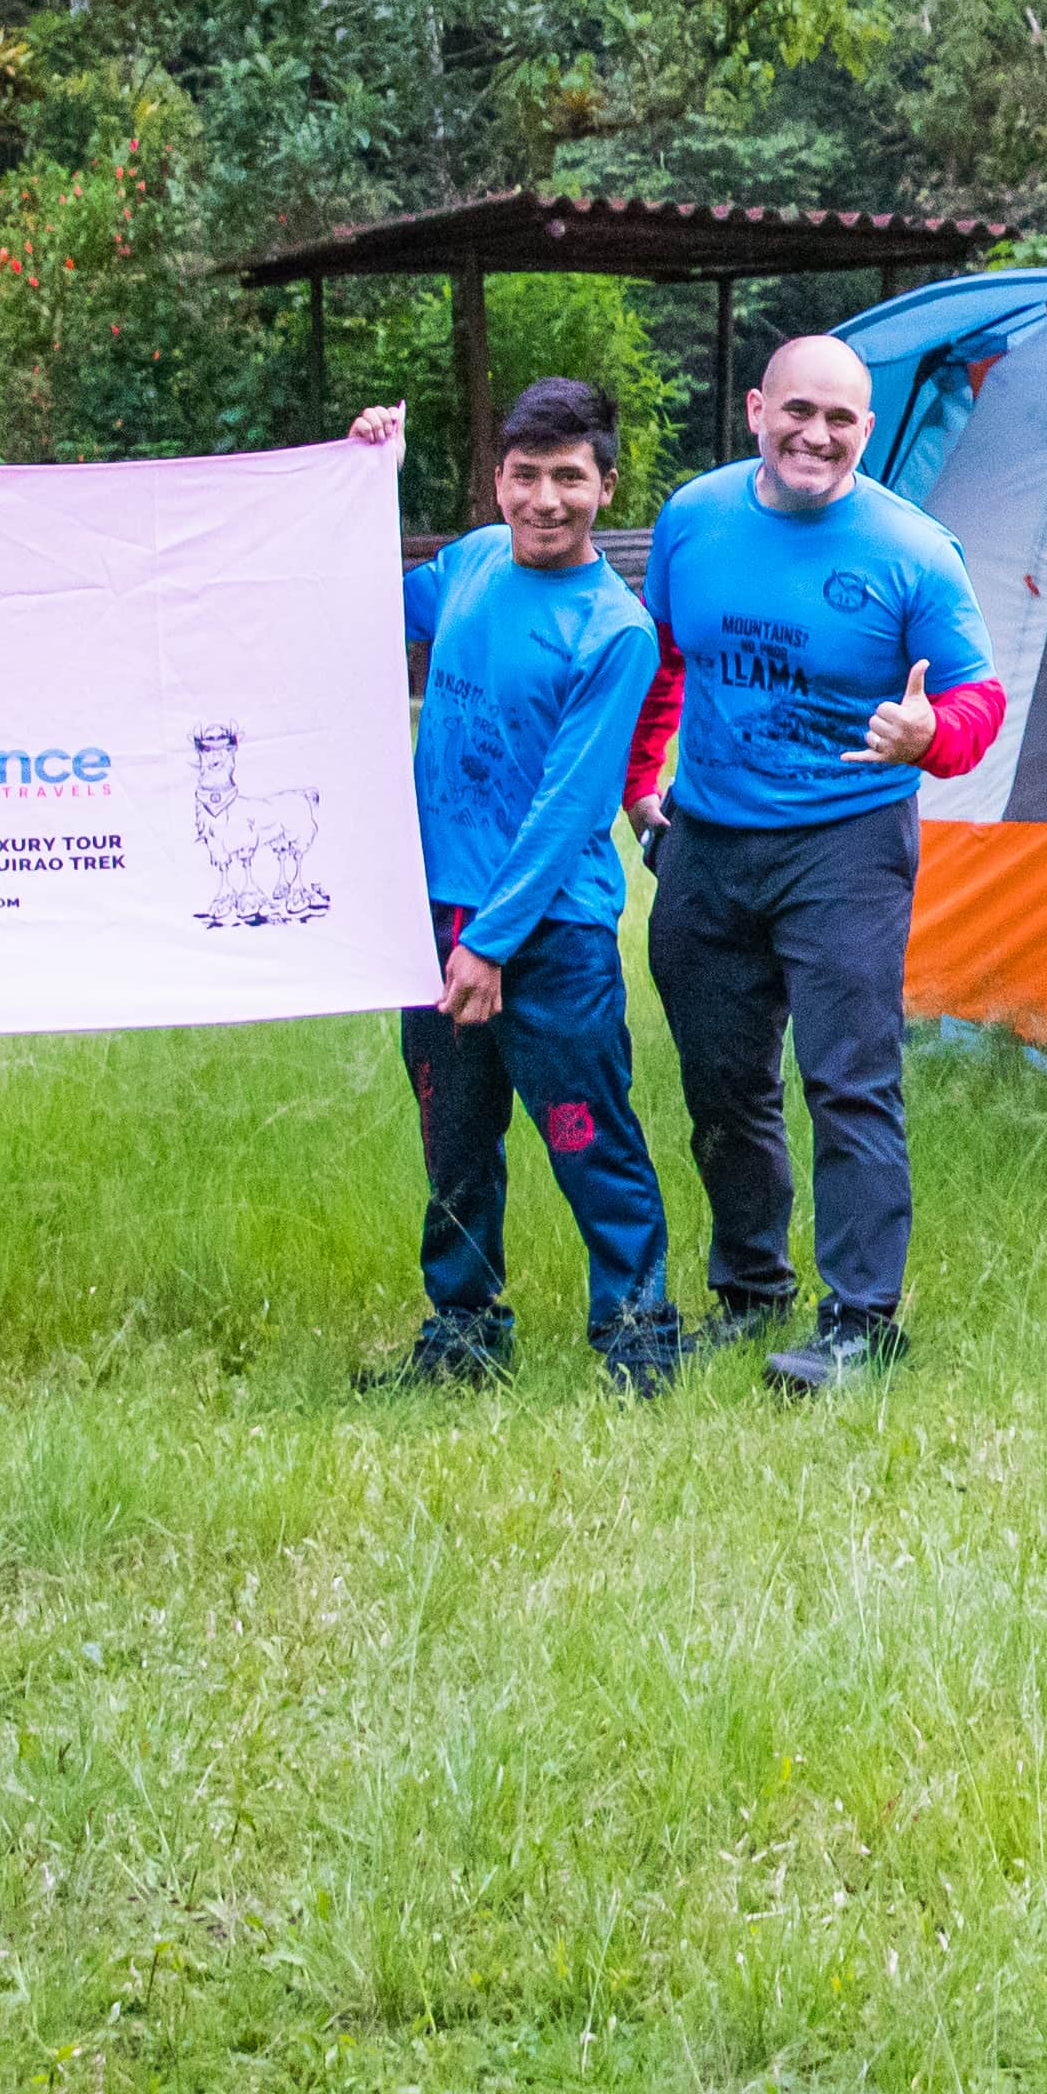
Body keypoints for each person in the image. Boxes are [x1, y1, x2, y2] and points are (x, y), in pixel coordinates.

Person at [643, 330, 1000, 1396]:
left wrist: (927, 736)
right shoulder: (692, 519)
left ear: (867, 429)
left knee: (850, 1081)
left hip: (846, 843)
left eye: (842, 418)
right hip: (706, 839)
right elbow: (664, 659)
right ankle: (752, 1288)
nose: (818, 433)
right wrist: (635, 783)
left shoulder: (915, 550)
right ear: (757, 409)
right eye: (799, 410)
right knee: (723, 1084)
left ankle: (862, 1320)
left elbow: (978, 701)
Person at [360, 379, 689, 1395]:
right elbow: (352, 596)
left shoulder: (614, 629)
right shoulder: (464, 564)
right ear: (497, 477)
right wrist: (371, 477)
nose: (545, 499)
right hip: (434, 914)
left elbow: (567, 805)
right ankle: (463, 1332)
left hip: (550, 933)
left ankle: (638, 1339)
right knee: (453, 1138)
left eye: (569, 477)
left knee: (590, 1138)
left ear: (606, 484)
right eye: (525, 475)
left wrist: (491, 944)